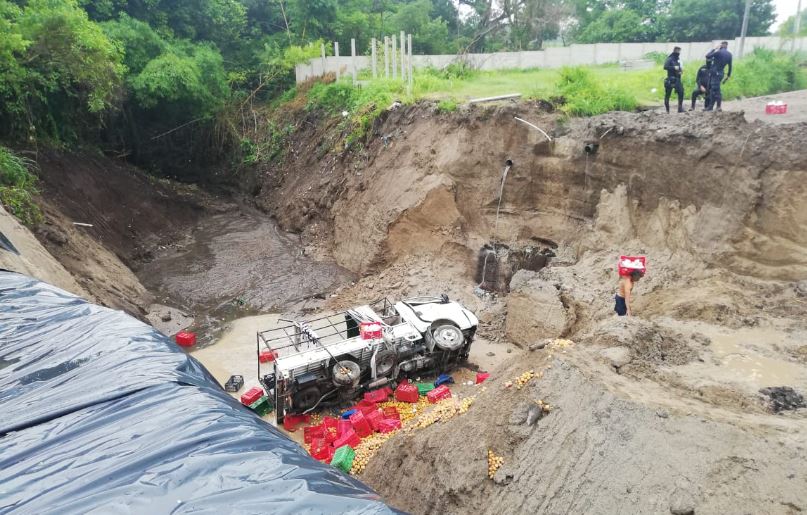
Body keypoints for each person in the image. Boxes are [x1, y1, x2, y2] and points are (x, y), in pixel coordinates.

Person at [704, 41, 732, 111]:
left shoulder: (718, 52)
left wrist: (714, 48)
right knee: (713, 90)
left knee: (716, 90)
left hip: (715, 73)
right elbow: (730, 66)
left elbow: (707, 56)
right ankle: (710, 107)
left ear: (721, 45)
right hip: (721, 73)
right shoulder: (729, 54)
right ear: (727, 46)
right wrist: (728, 75)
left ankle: (718, 106)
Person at [663, 46, 685, 113]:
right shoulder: (670, 59)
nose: (678, 52)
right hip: (670, 79)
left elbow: (679, 68)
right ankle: (667, 110)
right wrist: (673, 67)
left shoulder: (678, 59)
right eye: (677, 51)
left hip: (677, 79)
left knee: (681, 92)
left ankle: (680, 108)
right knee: (668, 94)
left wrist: (680, 71)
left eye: (679, 51)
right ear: (674, 51)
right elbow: (665, 67)